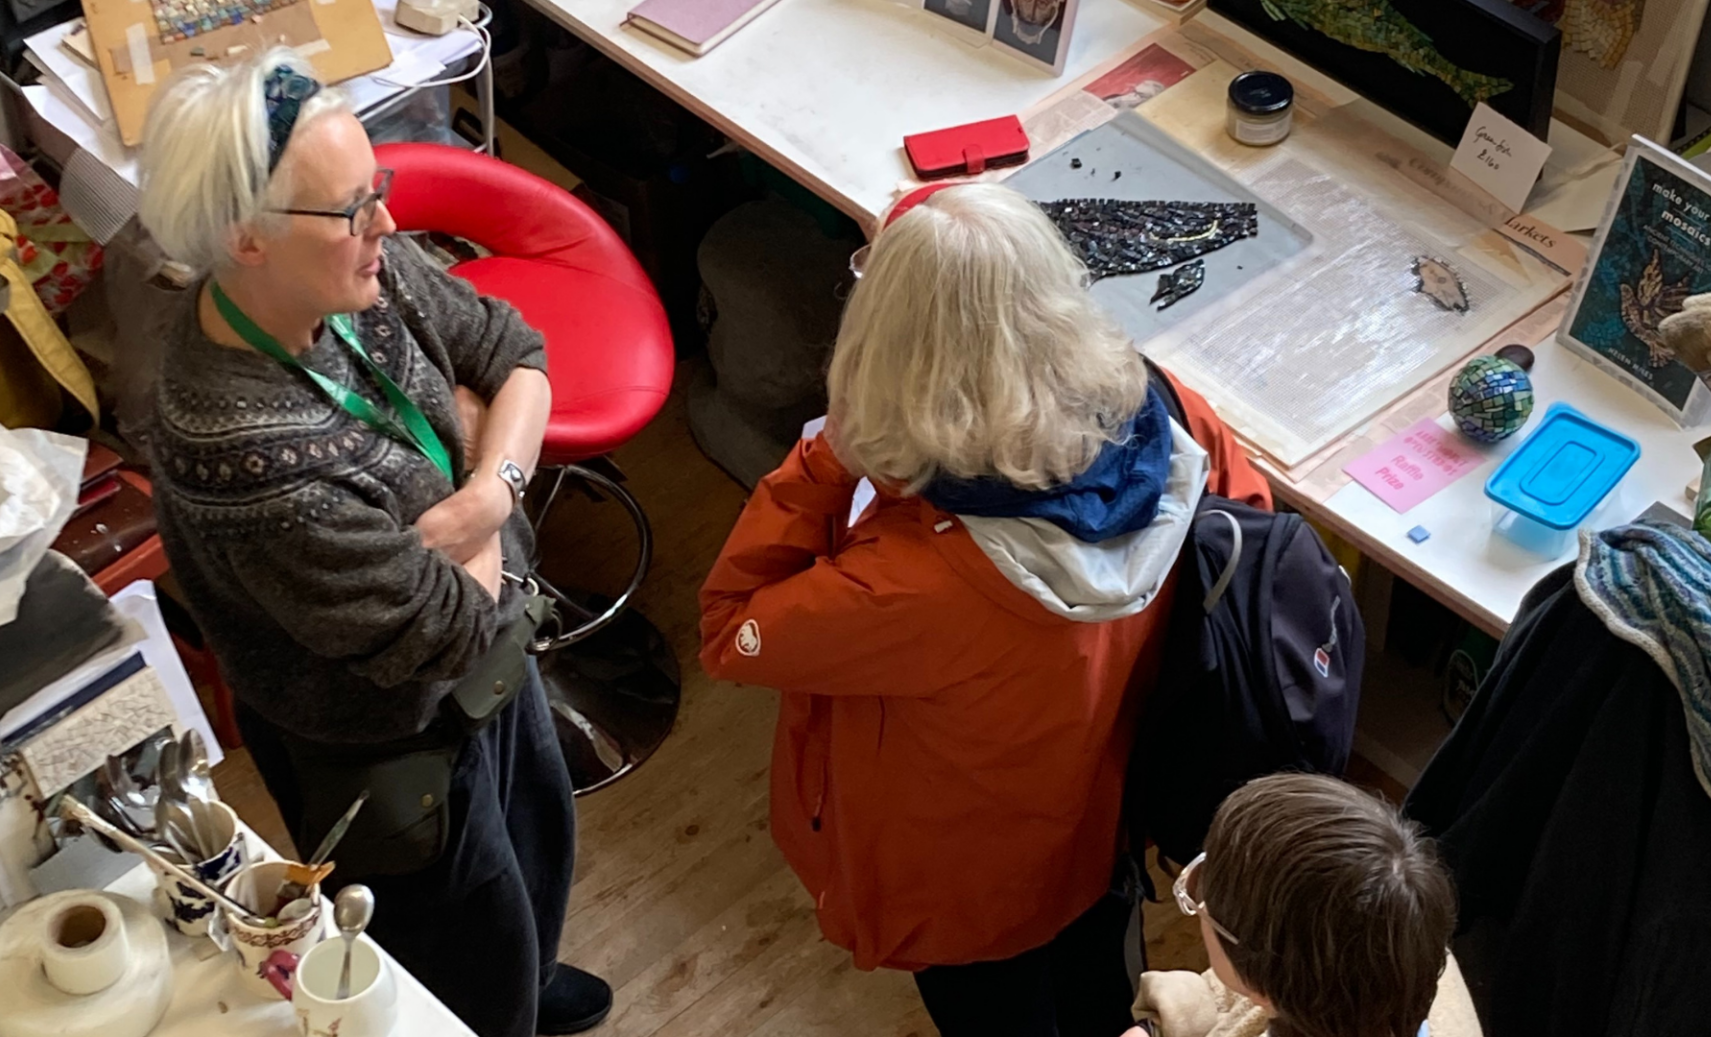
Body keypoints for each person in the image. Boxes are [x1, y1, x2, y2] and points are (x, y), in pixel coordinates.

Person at [697, 183, 1272, 1036]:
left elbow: (730, 629)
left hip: (965, 895)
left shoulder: (912, 583)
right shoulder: (1171, 416)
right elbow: (1250, 524)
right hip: (1107, 821)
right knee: (1106, 1004)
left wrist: (822, 463)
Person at [137, 50, 610, 1037]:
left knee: (533, 845)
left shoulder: (349, 276)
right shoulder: (242, 457)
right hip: (395, 741)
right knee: (457, 948)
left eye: (376, 190)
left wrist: (484, 495)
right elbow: (448, 629)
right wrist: (483, 430)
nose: (387, 224)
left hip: (491, 661)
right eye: (354, 207)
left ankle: (530, 979)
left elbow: (516, 352)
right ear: (245, 239)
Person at [1132, 773, 1474, 1037]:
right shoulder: (1402, 942)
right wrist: (1159, 1024)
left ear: (1265, 989)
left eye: (1202, 900)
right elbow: (1233, 998)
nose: (1202, 899)